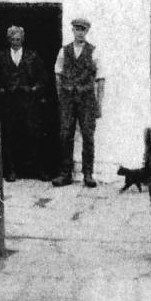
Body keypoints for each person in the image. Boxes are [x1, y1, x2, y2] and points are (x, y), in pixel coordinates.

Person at [0, 26, 50, 182]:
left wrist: (34, 89)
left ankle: (37, 169)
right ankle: (10, 170)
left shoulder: (32, 56)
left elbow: (43, 78)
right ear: (8, 40)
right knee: (9, 135)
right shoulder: (1, 57)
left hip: (29, 103)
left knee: (33, 135)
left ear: (22, 39)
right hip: (9, 103)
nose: (15, 42)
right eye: (13, 39)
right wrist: (1, 90)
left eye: (18, 39)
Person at [53, 17, 105, 188]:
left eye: (83, 30)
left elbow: (100, 79)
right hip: (68, 99)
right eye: (77, 29)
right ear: (73, 30)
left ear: (87, 31)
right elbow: (58, 75)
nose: (80, 33)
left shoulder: (93, 51)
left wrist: (99, 104)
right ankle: (65, 174)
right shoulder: (64, 51)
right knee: (65, 135)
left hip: (87, 100)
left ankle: (88, 174)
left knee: (88, 136)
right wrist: (62, 98)